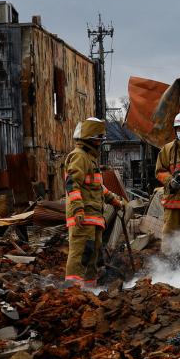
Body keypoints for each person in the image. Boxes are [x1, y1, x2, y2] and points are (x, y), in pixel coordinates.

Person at [64, 118, 124, 288]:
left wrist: (114, 201)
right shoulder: (79, 156)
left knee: (92, 254)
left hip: (93, 216)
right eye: (98, 139)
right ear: (90, 139)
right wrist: (77, 210)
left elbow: (98, 187)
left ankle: (90, 290)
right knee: (80, 253)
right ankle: (72, 291)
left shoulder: (89, 158)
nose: (100, 143)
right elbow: (72, 183)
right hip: (82, 216)